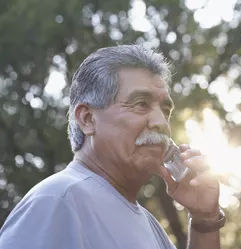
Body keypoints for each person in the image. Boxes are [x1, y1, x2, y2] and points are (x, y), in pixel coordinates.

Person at [0, 45, 226, 249]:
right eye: (140, 104)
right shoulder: (58, 200)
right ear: (88, 119)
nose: (162, 123)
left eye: (165, 111)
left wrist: (204, 220)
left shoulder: (151, 226)